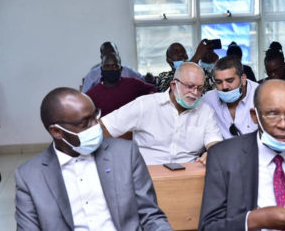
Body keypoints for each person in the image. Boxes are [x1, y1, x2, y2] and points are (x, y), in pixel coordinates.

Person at [15, 87, 172, 231]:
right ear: (57, 131)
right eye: (84, 123)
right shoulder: (30, 177)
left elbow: (150, 216)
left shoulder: (125, 154)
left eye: (95, 116)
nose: (96, 126)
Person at [199, 79, 285, 231]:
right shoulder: (224, 157)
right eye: (272, 114)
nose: (283, 124)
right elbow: (208, 227)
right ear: (254, 116)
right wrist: (255, 220)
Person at [101, 62, 222, 165]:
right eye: (189, 87)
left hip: (187, 176)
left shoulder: (205, 111)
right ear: (174, 85)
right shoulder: (146, 104)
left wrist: (212, 153)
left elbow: (214, 142)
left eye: (200, 88)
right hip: (147, 176)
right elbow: (105, 126)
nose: (195, 93)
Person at [203, 56, 258, 139]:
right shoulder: (208, 100)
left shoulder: (261, 95)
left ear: (243, 79)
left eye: (230, 81)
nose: (224, 87)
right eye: (219, 82)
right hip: (222, 150)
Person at [86, 52, 156, 117]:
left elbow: (152, 90)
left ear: (121, 69)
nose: (111, 69)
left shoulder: (132, 84)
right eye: (107, 66)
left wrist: (145, 104)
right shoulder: (92, 95)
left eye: (115, 66)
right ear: (101, 69)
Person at [82, 41, 151, 93]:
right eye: (107, 55)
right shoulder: (92, 74)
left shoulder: (127, 70)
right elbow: (85, 95)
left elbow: (143, 80)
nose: (111, 57)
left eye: (113, 54)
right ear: (101, 57)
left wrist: (149, 78)